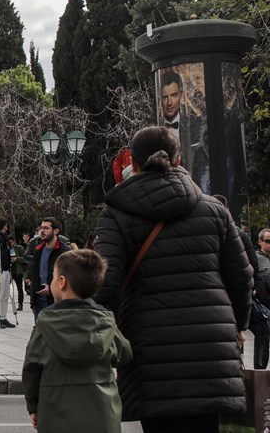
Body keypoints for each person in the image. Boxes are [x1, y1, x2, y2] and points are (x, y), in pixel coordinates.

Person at [94, 126, 252, 433]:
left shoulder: (118, 213)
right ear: (179, 159)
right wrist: (238, 326)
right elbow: (241, 276)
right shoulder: (214, 209)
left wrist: (103, 341)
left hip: (149, 348)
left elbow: (106, 283)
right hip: (211, 346)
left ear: (134, 164)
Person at [22, 249, 131, 433]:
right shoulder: (105, 322)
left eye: (54, 276)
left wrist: (33, 406)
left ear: (62, 282)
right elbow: (125, 354)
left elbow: (31, 369)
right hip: (102, 415)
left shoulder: (45, 324)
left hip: (55, 413)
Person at [26, 218, 68, 319]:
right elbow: (34, 268)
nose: (42, 231)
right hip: (38, 300)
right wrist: (29, 278)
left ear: (56, 231)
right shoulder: (38, 250)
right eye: (41, 228)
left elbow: (70, 277)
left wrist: (52, 288)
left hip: (56, 302)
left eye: (46, 228)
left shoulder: (65, 251)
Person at [254, 229, 270, 370]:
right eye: (268, 241)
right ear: (260, 242)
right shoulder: (255, 258)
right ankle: (259, 371)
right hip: (261, 305)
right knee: (263, 331)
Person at [10, 236, 26, 312]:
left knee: (20, 288)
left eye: (11, 242)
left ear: (14, 241)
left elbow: (25, 258)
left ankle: (20, 304)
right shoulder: (7, 248)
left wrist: (17, 259)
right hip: (9, 271)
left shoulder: (19, 248)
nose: (11, 244)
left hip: (17, 271)